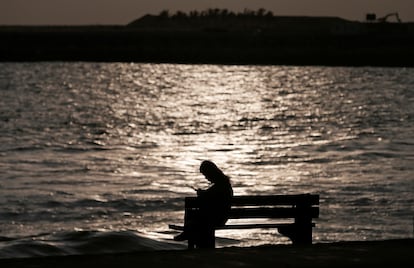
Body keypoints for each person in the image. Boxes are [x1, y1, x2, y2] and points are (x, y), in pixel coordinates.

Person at [174, 160, 233, 247]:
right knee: (197, 217)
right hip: (220, 217)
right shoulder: (225, 184)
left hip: (214, 218)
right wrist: (204, 194)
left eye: (206, 175)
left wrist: (202, 194)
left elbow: (210, 200)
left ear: (211, 173)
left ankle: (187, 233)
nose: (206, 178)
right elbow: (213, 198)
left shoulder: (219, 186)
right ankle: (188, 233)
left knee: (193, 215)